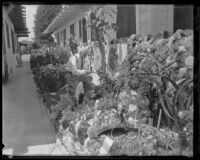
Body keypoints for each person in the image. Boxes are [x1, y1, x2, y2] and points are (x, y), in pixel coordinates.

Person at [67, 36, 95, 106]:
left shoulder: (82, 59)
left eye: (86, 55)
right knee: (80, 87)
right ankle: (77, 103)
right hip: (72, 77)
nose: (85, 56)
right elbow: (74, 71)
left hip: (78, 76)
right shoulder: (74, 58)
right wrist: (84, 71)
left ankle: (85, 98)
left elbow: (83, 70)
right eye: (84, 54)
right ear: (80, 52)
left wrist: (87, 73)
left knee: (89, 80)